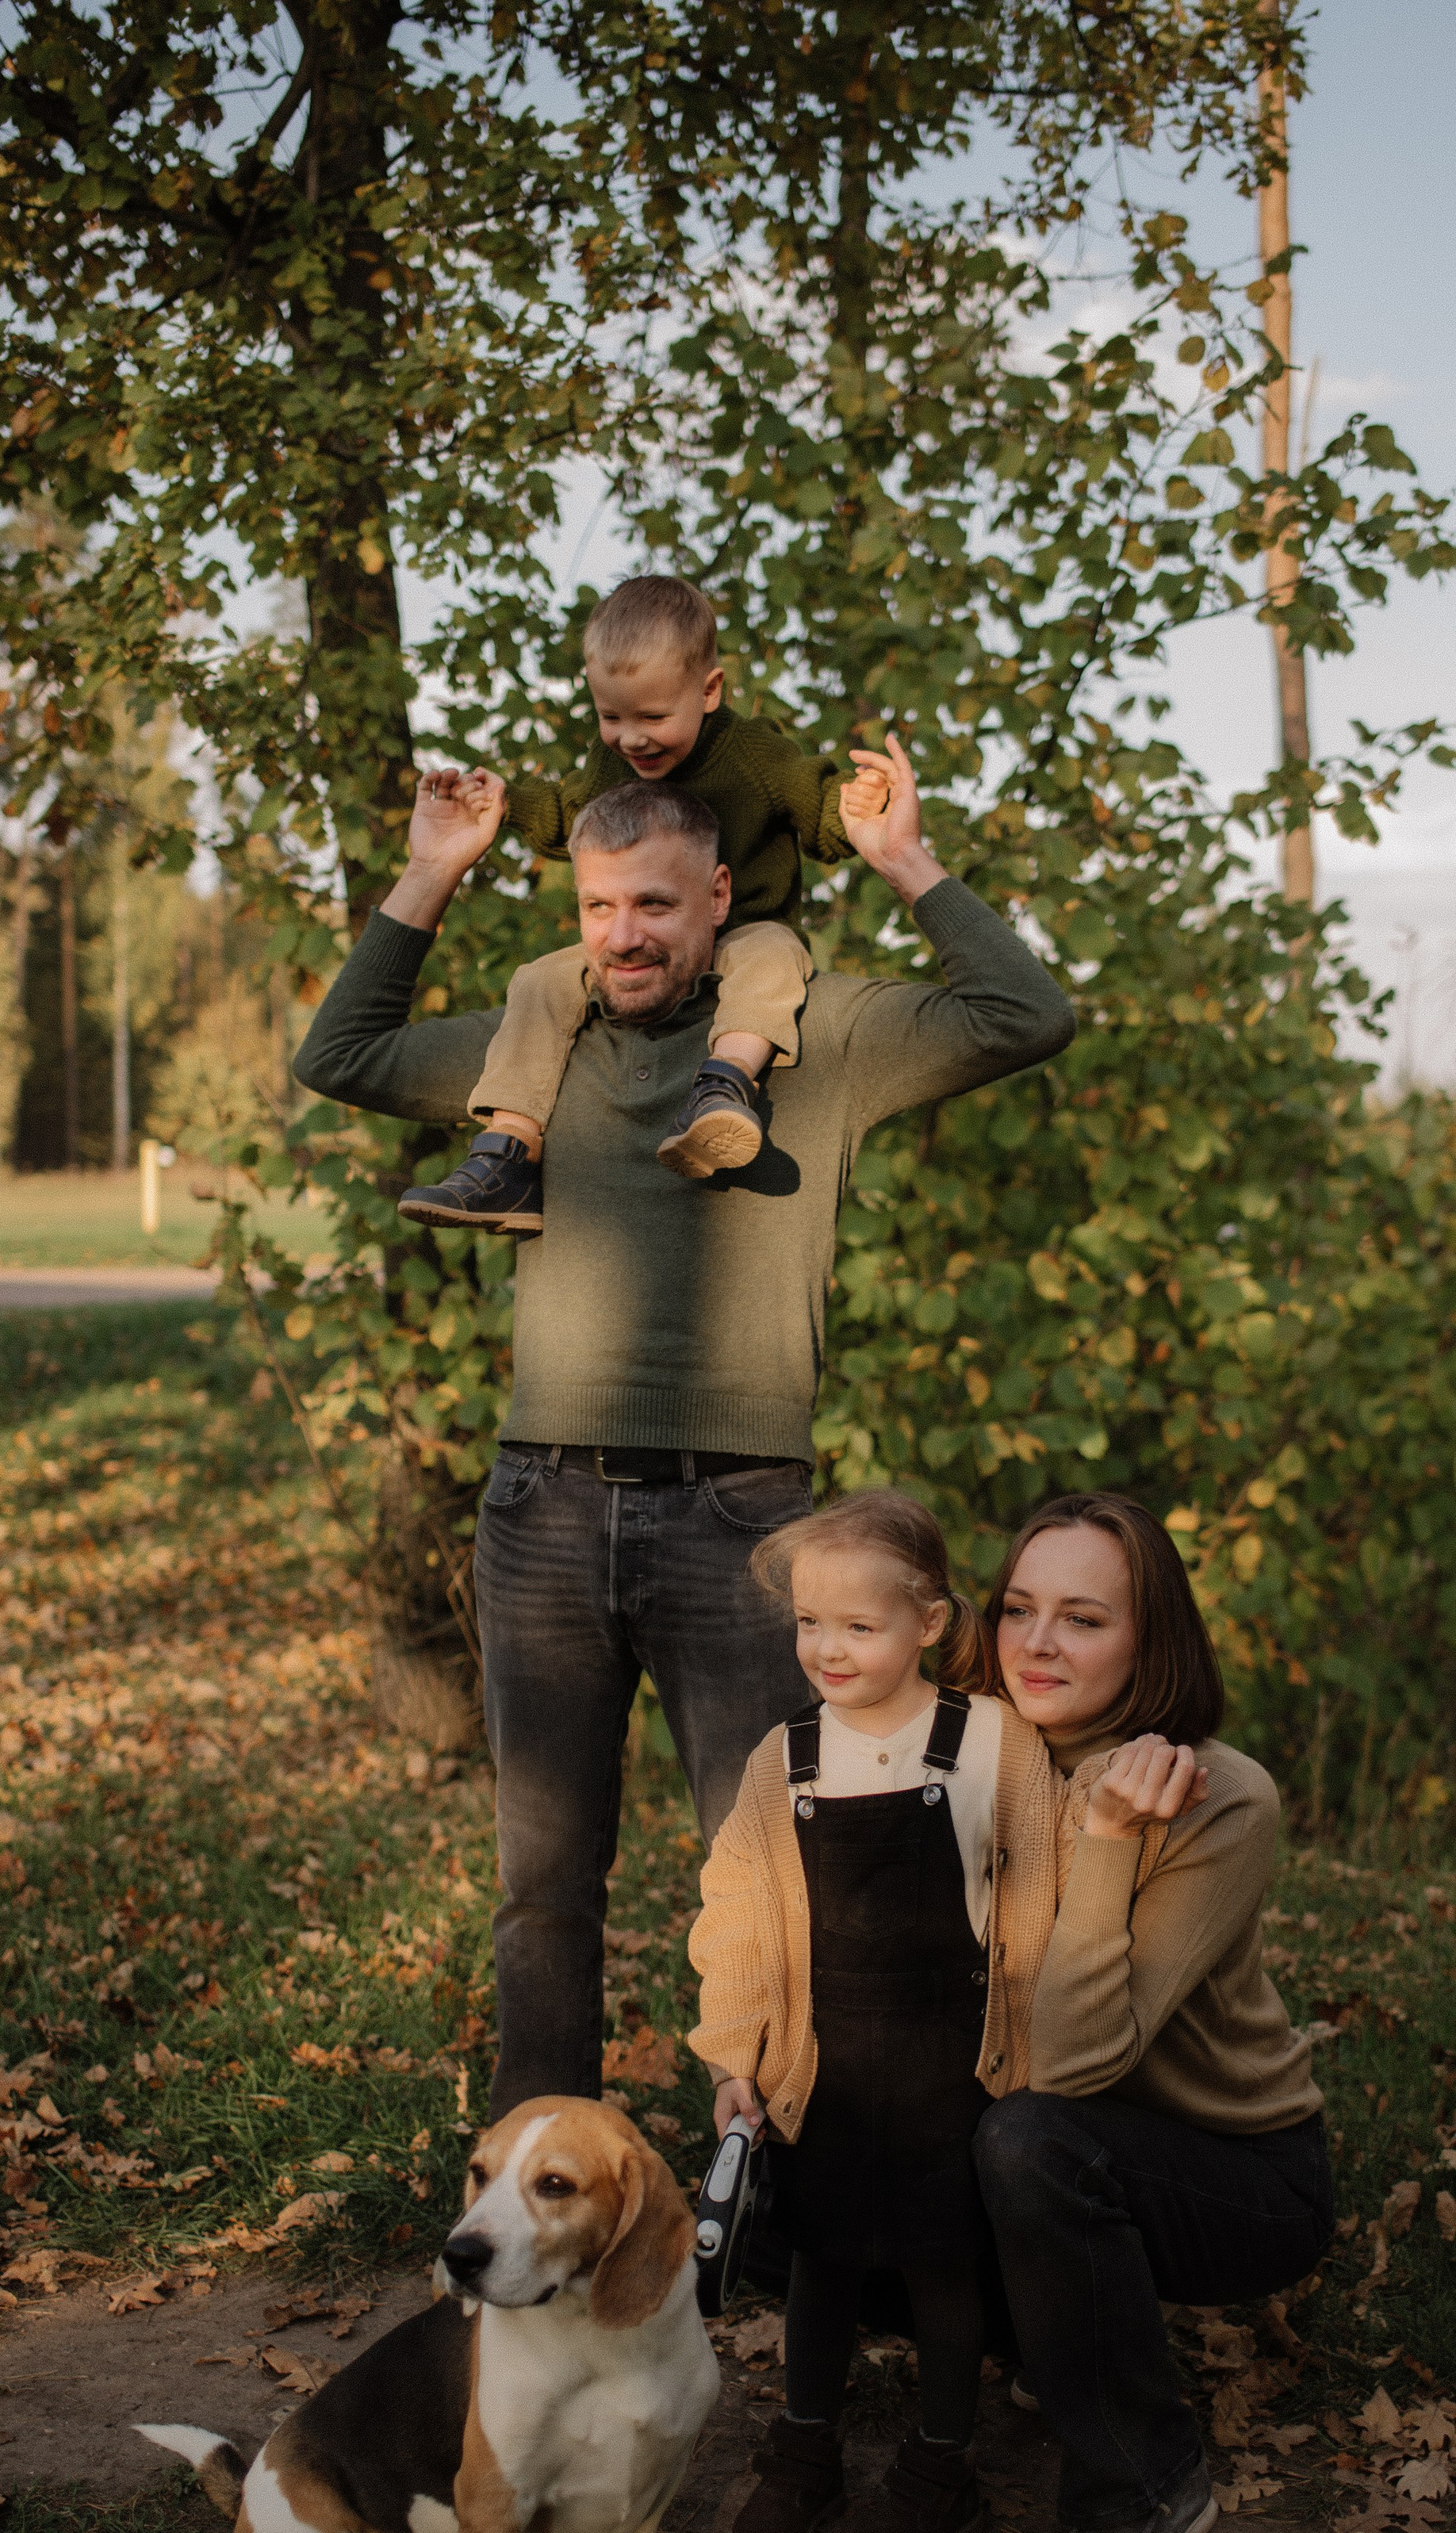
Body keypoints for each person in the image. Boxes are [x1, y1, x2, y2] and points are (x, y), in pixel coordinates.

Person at [292, 739, 1075, 2117]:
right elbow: (339, 1053)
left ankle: (771, 2182)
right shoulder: (538, 1038)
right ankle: (537, 2190)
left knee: (771, 1875)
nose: (625, 936)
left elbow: (1024, 1013)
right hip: (543, 1513)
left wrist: (905, 860)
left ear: (719, 895)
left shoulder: (817, 1037)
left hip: (746, 1527)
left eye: (655, 904)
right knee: (543, 1889)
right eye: (599, 907)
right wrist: (428, 873)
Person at [688, 1493, 1064, 2533]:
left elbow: (1033, 1906)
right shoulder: (786, 1757)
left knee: (948, 2268)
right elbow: (743, 1913)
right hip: (827, 2065)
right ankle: (805, 2449)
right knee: (823, 2262)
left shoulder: (991, 1741)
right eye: (811, 1623)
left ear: (932, 1625)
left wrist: (1031, 2070)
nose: (828, 1649)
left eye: (861, 1626)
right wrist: (736, 2052)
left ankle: (943, 2464)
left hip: (955, 2066)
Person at [971, 1491, 1333, 2533]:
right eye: (1020, 1609)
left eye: (1083, 1619)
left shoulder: (1222, 1798)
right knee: (812, 2174)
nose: (1037, 1643)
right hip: (1054, 2131)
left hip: (1233, 2172)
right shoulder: (977, 1763)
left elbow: (1077, 2065)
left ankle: (1146, 2473)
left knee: (1033, 2140)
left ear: (1150, 1640)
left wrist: (1109, 1841)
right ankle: (1057, 2334)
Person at [395, 574, 868, 1232]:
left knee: (772, 958)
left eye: (651, 718)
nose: (631, 739)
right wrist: (503, 805)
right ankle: (508, 1152)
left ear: (709, 691)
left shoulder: (754, 754)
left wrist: (860, 808)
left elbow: (818, 811)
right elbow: (569, 813)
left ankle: (723, 1089)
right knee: (538, 981)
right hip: (646, 952)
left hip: (747, 931)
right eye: (610, 717)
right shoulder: (611, 761)